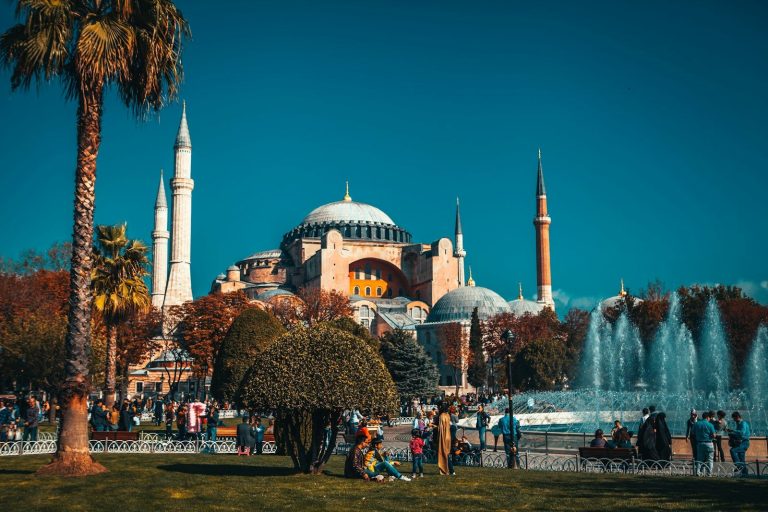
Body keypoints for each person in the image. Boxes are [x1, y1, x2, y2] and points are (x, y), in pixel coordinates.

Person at [693, 410, 716, 476]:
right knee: (710, 460)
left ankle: (698, 472)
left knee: (699, 459)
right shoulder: (710, 425)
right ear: (707, 417)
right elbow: (714, 435)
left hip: (700, 443)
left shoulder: (697, 424)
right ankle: (709, 474)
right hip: (709, 443)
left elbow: (692, 433)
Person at [728, 411, 751, 476]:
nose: (734, 420)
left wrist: (733, 431)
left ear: (737, 417)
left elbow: (742, 433)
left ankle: (738, 465)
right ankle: (745, 473)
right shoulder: (739, 424)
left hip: (744, 442)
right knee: (742, 459)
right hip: (741, 442)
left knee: (732, 450)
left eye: (734, 418)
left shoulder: (743, 423)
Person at [437, 402, 453, 476]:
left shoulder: (441, 416)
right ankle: (451, 470)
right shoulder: (448, 415)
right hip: (448, 436)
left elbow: (440, 428)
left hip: (443, 436)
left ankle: (445, 470)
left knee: (443, 453)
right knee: (447, 453)